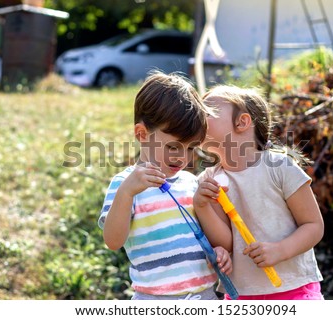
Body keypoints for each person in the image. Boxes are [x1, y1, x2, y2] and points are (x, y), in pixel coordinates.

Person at [98, 71, 232, 300]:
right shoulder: (125, 185)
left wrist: (218, 252)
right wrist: (126, 193)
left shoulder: (191, 184)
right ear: (142, 134)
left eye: (191, 148)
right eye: (173, 147)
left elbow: (206, 236)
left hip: (205, 296)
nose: (182, 158)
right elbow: (113, 241)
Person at [194, 85, 324, 300]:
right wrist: (202, 206)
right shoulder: (207, 182)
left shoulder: (281, 167)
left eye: (206, 112)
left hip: (294, 290)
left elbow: (313, 226)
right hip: (240, 295)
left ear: (242, 122)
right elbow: (226, 244)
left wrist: (280, 250)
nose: (196, 118)